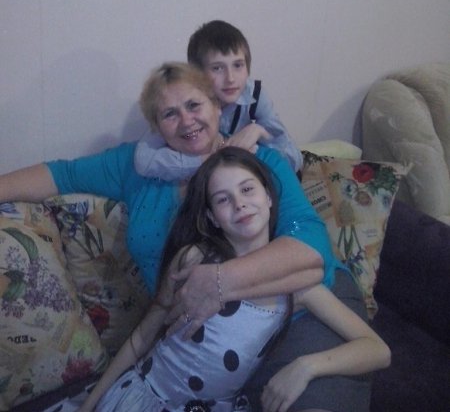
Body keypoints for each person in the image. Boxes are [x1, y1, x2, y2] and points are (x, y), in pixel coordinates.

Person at [0, 61, 362, 411]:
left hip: (303, 316)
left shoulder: (257, 163)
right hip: (207, 348)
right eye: (169, 114)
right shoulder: (139, 167)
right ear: (157, 126)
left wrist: (220, 280)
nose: (186, 120)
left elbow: (312, 249)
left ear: (217, 106)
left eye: (194, 105)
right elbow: (61, 174)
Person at [77, 147, 390, 412]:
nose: (239, 203)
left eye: (247, 189)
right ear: (212, 217)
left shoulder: (296, 285)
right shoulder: (193, 259)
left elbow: (377, 350)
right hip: (142, 399)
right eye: (223, 199)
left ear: (269, 196)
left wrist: (307, 366)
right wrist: (90, 403)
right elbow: (141, 339)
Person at [134, 20, 302, 181]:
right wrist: (213, 158)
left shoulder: (254, 96)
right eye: (217, 68)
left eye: (238, 65)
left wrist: (259, 131)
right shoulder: (186, 100)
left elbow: (294, 159)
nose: (230, 78)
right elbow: (144, 159)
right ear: (197, 73)